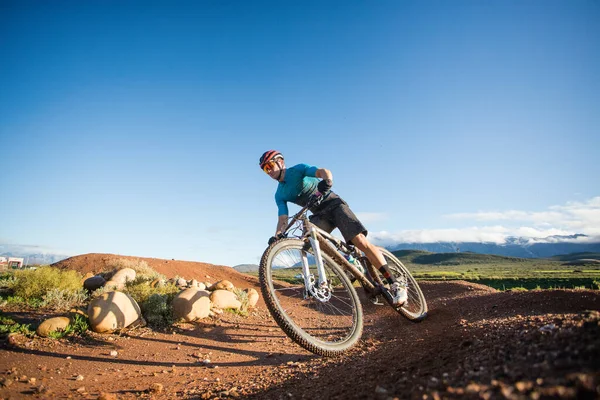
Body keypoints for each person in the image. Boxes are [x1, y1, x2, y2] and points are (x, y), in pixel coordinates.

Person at [259, 149, 407, 306]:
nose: (268, 172)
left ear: (280, 162)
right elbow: (282, 218)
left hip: (333, 204)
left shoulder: (297, 170)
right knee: (309, 240)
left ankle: (395, 283)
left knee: (359, 241)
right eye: (264, 169)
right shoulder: (279, 194)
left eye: (269, 166)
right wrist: (278, 235)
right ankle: (348, 261)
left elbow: (323, 172)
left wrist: (326, 181)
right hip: (319, 214)